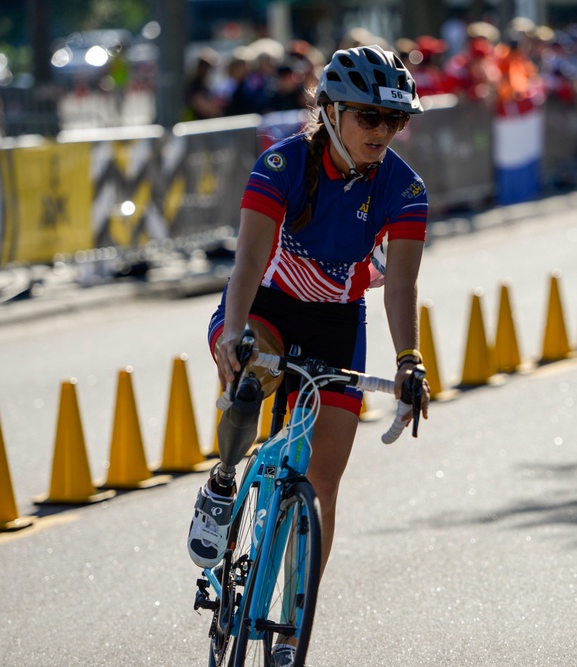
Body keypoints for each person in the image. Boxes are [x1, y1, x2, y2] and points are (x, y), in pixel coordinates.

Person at [187, 44, 431, 666]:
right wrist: (234, 333)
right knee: (254, 375)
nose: (384, 131)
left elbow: (400, 285)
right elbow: (246, 260)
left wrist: (409, 360)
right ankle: (222, 482)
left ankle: (293, 630)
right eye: (369, 117)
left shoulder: (403, 187)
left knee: (323, 481)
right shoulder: (282, 164)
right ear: (329, 111)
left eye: (394, 120)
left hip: (336, 320)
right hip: (265, 304)